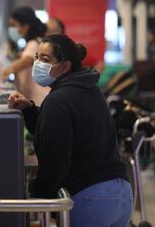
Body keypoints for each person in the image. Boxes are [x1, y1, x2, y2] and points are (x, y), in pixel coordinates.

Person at [8, 34, 132, 226]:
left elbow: (55, 161)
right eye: (37, 57)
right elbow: (64, 129)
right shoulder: (89, 89)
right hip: (121, 196)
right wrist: (30, 110)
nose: (38, 64)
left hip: (91, 198)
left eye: (45, 59)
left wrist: (39, 195)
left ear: (65, 66)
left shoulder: (58, 100)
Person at [2, 6, 50, 105]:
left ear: (25, 26)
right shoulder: (35, 41)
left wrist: (5, 71)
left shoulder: (33, 43)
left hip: (39, 99)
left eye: (14, 25)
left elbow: (26, 61)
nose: (12, 29)